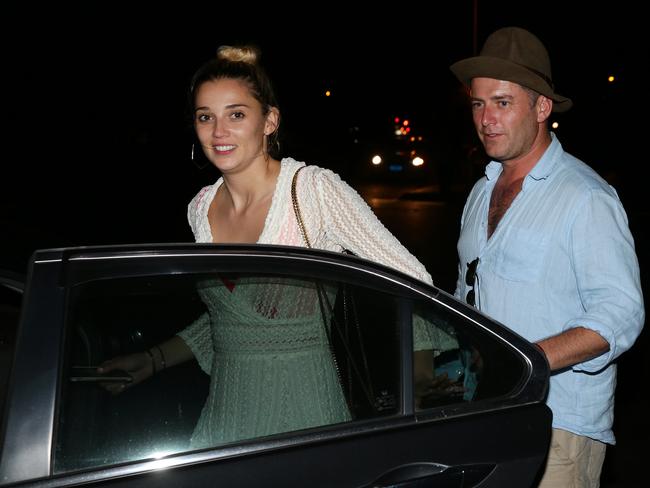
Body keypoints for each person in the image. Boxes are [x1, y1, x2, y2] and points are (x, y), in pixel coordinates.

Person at [99, 45, 455, 449]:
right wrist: (151, 360)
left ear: (269, 121)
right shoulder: (200, 208)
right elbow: (233, 317)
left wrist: (420, 369)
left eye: (236, 114)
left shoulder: (312, 192)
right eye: (205, 117)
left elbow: (413, 281)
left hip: (305, 416)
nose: (219, 132)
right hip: (224, 418)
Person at [449, 27, 644, 487]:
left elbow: (620, 313)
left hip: (558, 425)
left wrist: (526, 359)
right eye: (478, 104)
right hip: (485, 415)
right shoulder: (481, 193)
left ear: (541, 107)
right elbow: (467, 294)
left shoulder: (586, 197)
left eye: (502, 102)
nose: (486, 119)